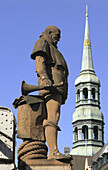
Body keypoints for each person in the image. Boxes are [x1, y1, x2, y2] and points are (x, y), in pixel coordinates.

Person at [31, 25, 69, 159]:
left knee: (55, 115)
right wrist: (44, 77)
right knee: (52, 117)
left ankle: (54, 150)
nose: (58, 40)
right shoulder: (42, 42)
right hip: (51, 85)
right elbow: (39, 61)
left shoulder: (53, 48)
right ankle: (53, 152)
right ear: (50, 32)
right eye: (56, 36)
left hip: (57, 86)